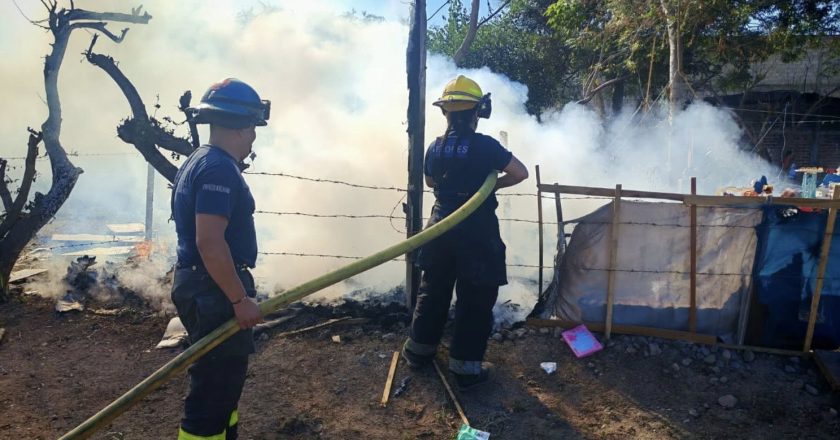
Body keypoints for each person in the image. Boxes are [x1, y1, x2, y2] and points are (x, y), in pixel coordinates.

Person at [401, 75, 529, 390]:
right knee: (475, 298)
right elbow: (520, 172)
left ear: (446, 113)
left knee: (432, 292)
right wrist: (491, 185)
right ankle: (465, 367)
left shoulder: (436, 146)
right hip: (477, 234)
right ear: (477, 112)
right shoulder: (486, 146)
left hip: (440, 229)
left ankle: (418, 352)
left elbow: (431, 182)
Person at [171, 78, 270, 439]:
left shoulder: (201, 158)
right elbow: (210, 242)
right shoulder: (219, 170)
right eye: (253, 129)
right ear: (242, 127)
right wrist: (238, 299)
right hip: (214, 292)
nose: (254, 138)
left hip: (202, 285)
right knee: (211, 396)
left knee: (224, 389)